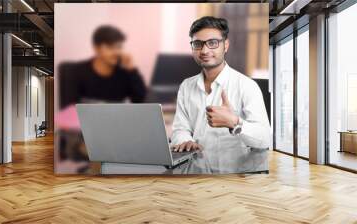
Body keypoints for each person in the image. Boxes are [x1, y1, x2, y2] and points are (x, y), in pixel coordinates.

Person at [170, 16, 270, 172]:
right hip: (196, 174)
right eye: (198, 44)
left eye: (212, 43)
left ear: (226, 45)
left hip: (236, 178)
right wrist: (186, 140)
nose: (204, 50)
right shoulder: (186, 86)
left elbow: (265, 138)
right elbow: (180, 129)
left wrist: (235, 123)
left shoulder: (246, 85)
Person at [59, 25, 147, 109]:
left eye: (119, 47)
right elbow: (69, 110)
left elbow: (143, 103)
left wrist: (132, 70)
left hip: (115, 121)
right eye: (110, 47)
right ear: (96, 48)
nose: (116, 52)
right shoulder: (76, 72)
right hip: (84, 122)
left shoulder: (124, 74)